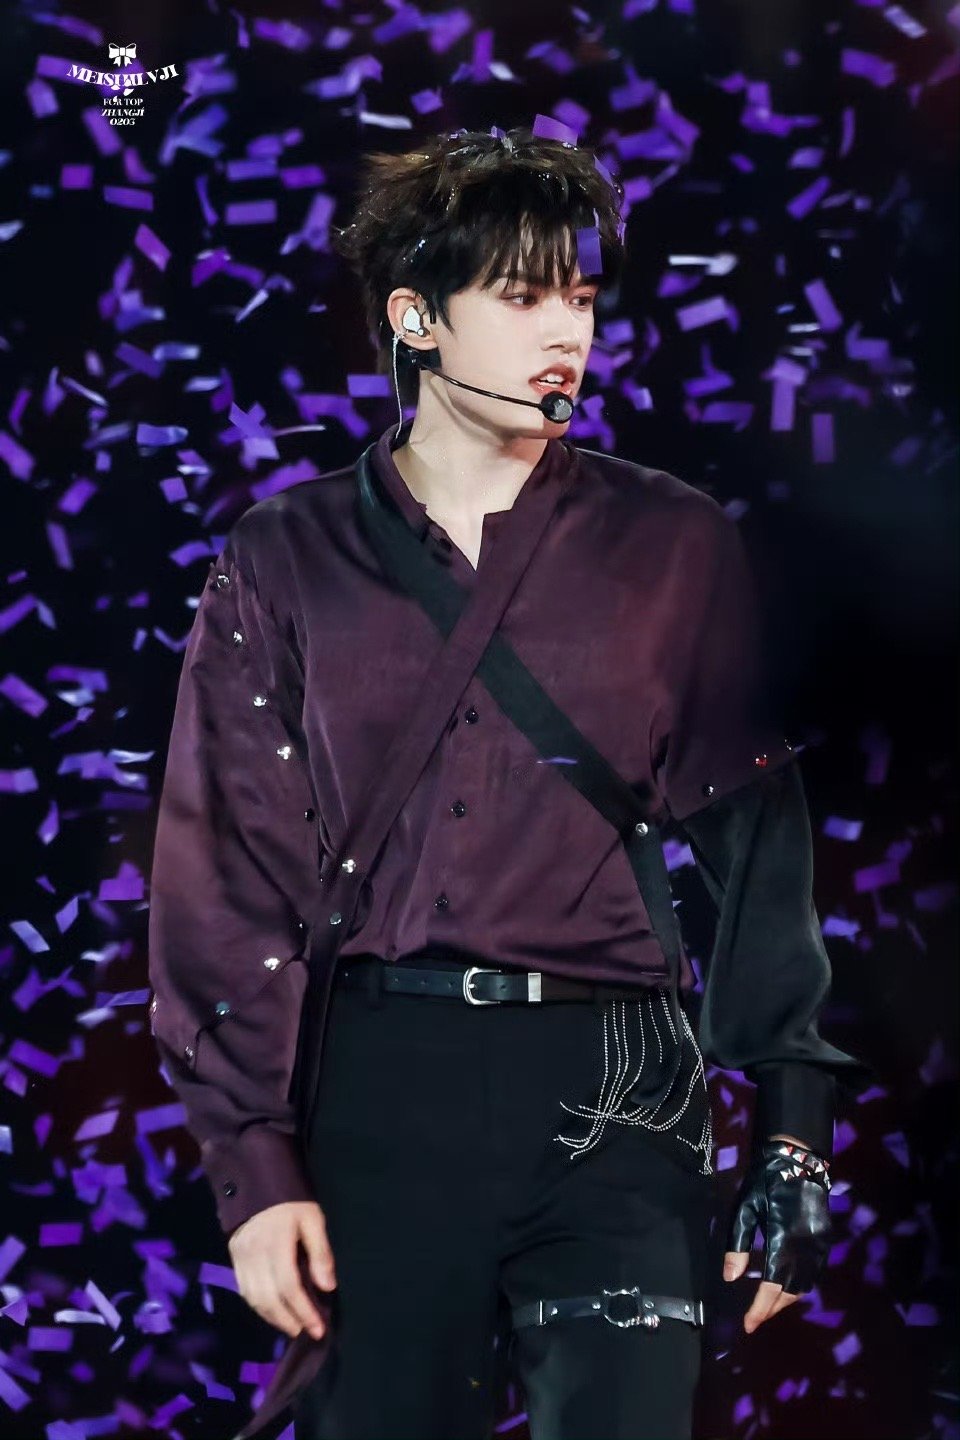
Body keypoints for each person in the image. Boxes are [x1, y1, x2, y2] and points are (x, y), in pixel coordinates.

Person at [147, 123, 872, 1440]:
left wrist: (793, 1133)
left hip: (620, 1086)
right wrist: (252, 1163)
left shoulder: (674, 543)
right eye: (525, 297)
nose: (567, 335)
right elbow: (223, 873)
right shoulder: (286, 556)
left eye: (581, 299)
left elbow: (761, 854)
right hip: (381, 1084)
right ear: (416, 317)